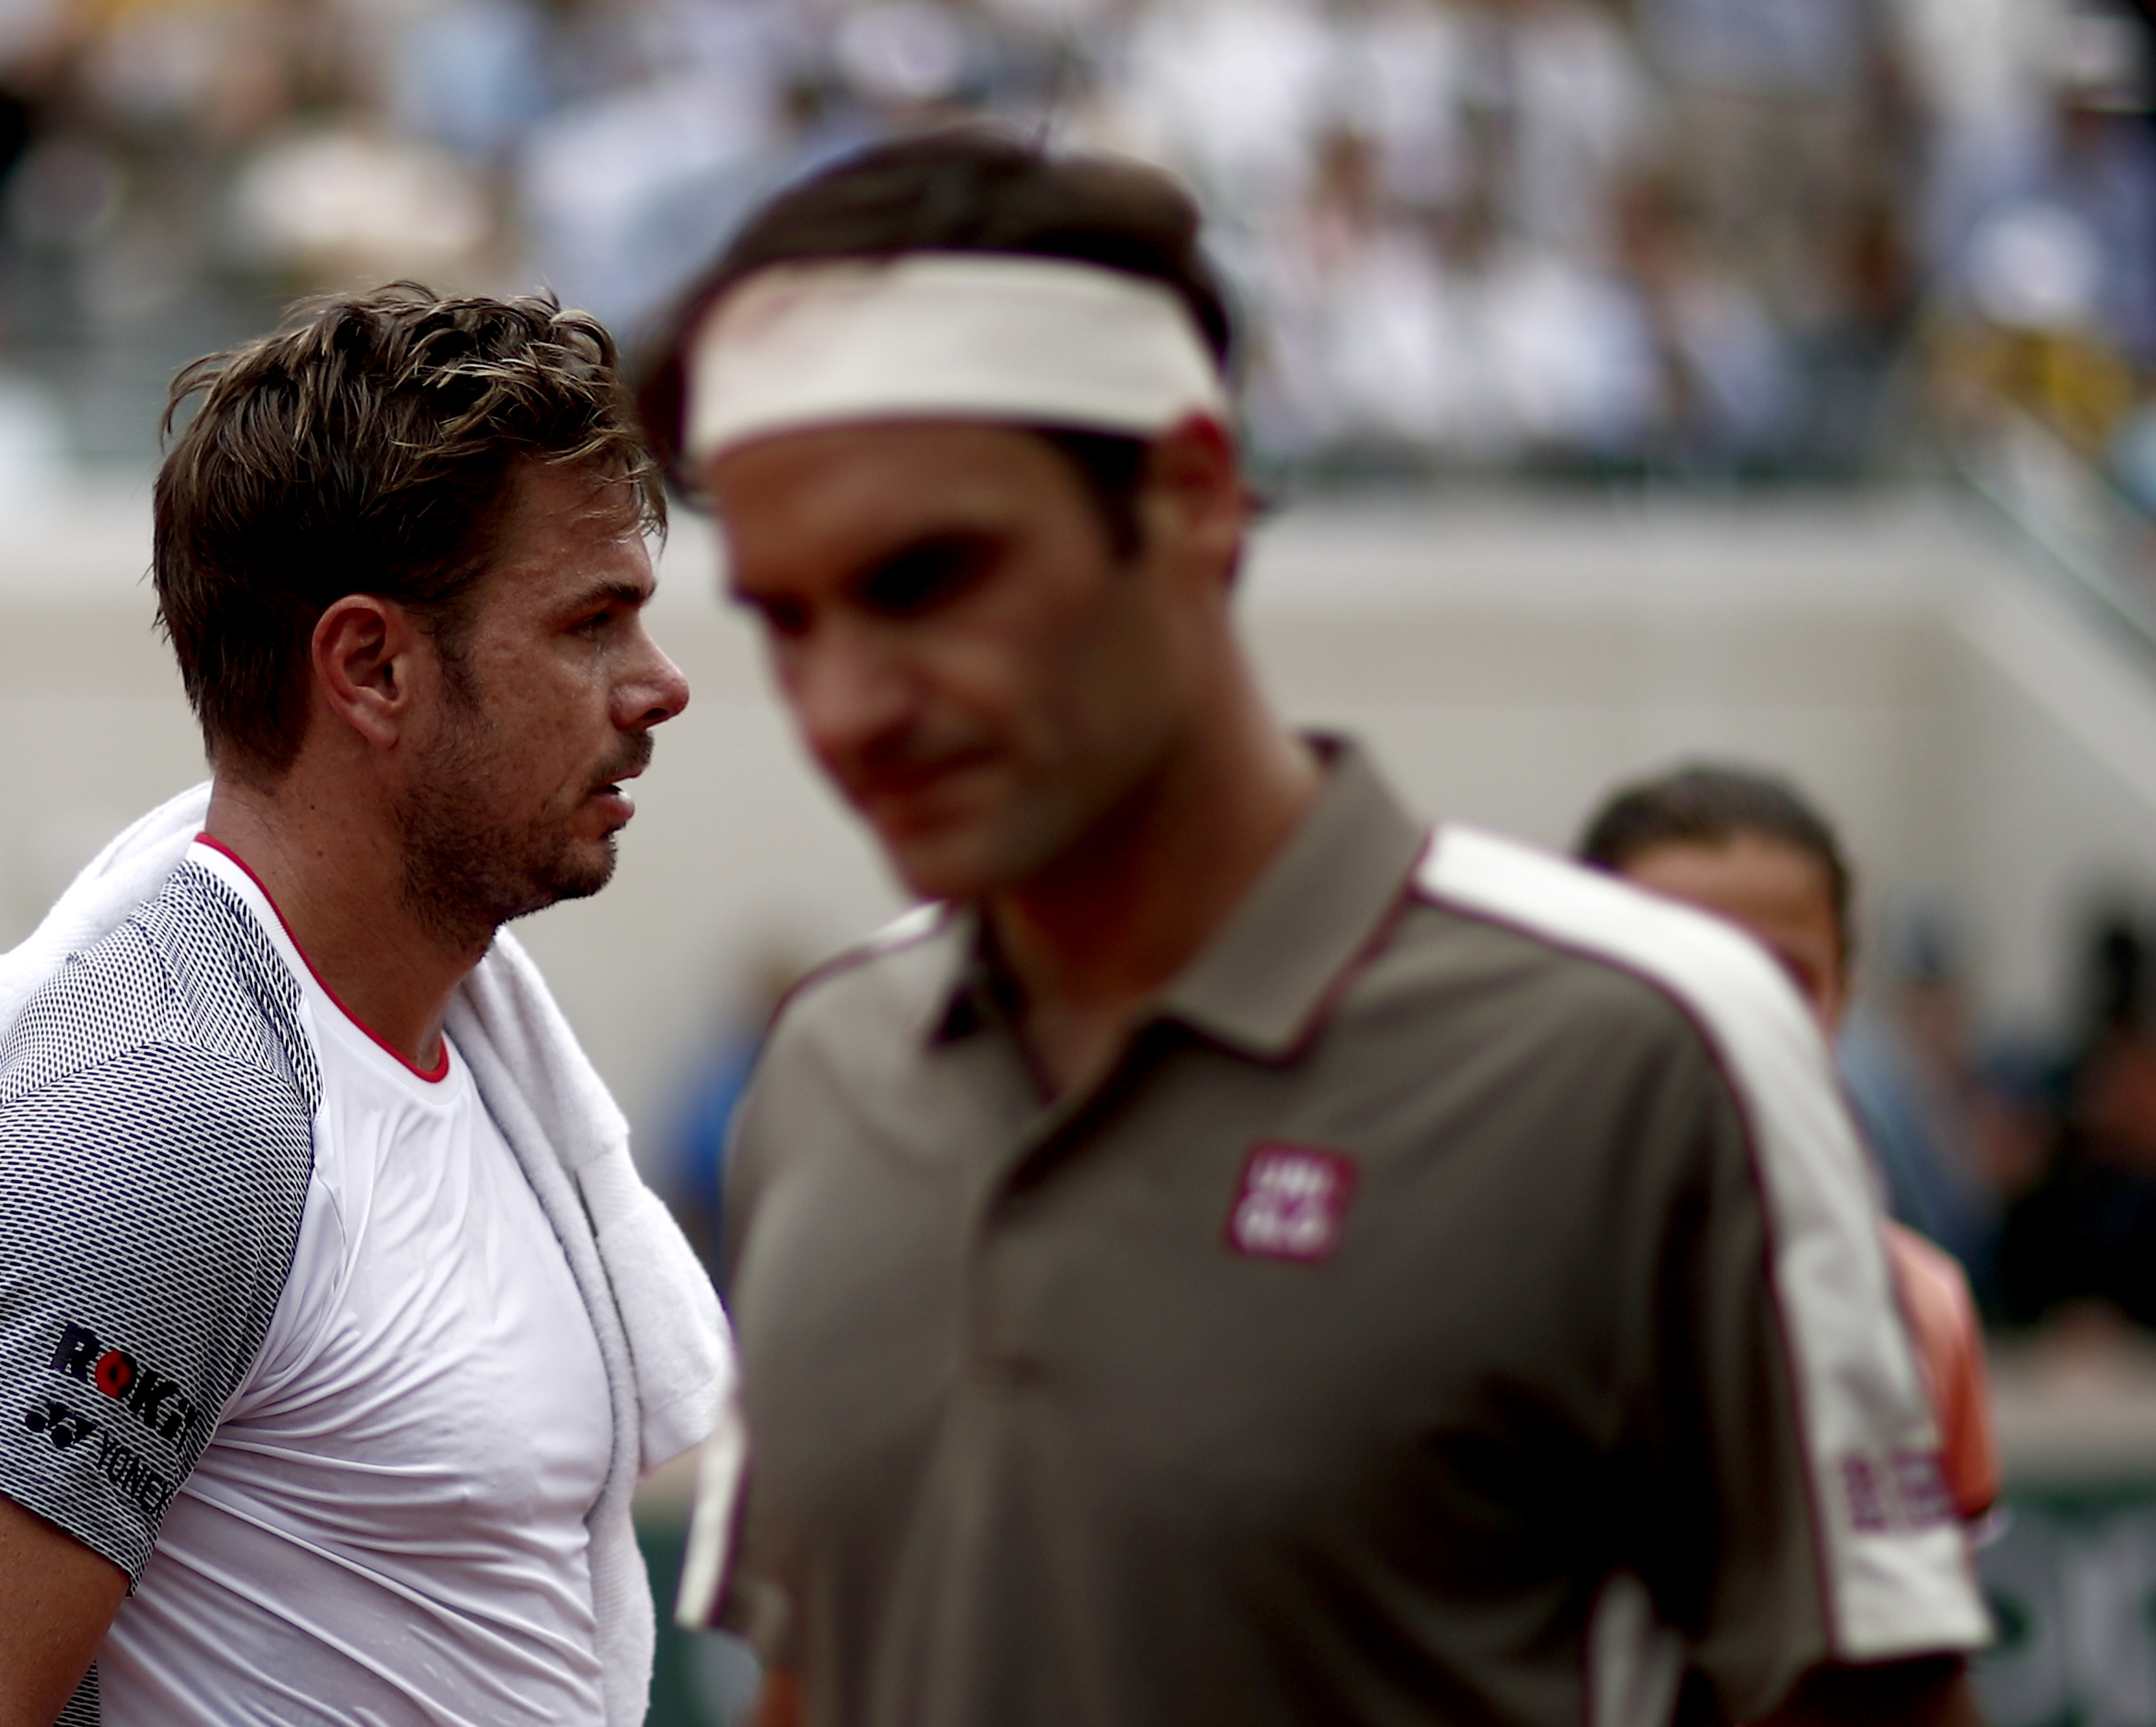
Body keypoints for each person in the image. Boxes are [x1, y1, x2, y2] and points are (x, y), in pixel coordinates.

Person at [647, 132, 1990, 1727]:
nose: (848, 704)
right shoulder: (828, 1064)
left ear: (1193, 496)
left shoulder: (1643, 1047)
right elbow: (818, 1681)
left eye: (931, 575)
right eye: (786, 619)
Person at [0, 286, 717, 1725]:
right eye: (592, 623)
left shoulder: (456, 1052)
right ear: (372, 668)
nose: (659, 685)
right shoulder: (166, 1117)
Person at [1576, 764, 2001, 1533]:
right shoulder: (1481, 1295)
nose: (1733, 1011)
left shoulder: (1922, 1313)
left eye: (1782, 977)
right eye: (1674, 965)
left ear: (1846, 991)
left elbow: (1939, 1633)